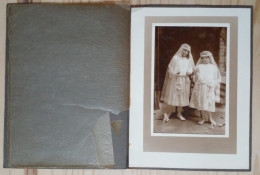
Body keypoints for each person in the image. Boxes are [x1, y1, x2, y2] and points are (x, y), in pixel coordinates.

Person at [160, 43, 195, 122]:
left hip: (184, 79)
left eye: (187, 51)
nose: (185, 52)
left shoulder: (187, 60)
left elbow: (190, 69)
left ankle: (179, 113)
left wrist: (189, 72)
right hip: (175, 79)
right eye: (184, 50)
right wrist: (174, 73)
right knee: (173, 95)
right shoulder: (175, 58)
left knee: (181, 96)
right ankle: (168, 112)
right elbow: (170, 68)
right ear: (181, 49)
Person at [189, 51, 221, 126]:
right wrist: (195, 75)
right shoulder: (199, 66)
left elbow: (217, 78)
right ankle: (203, 118)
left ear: (209, 58)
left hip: (209, 87)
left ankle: (210, 118)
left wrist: (212, 84)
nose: (204, 60)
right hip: (201, 87)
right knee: (201, 102)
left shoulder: (213, 67)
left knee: (209, 102)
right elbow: (194, 77)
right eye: (203, 58)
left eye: (206, 58)